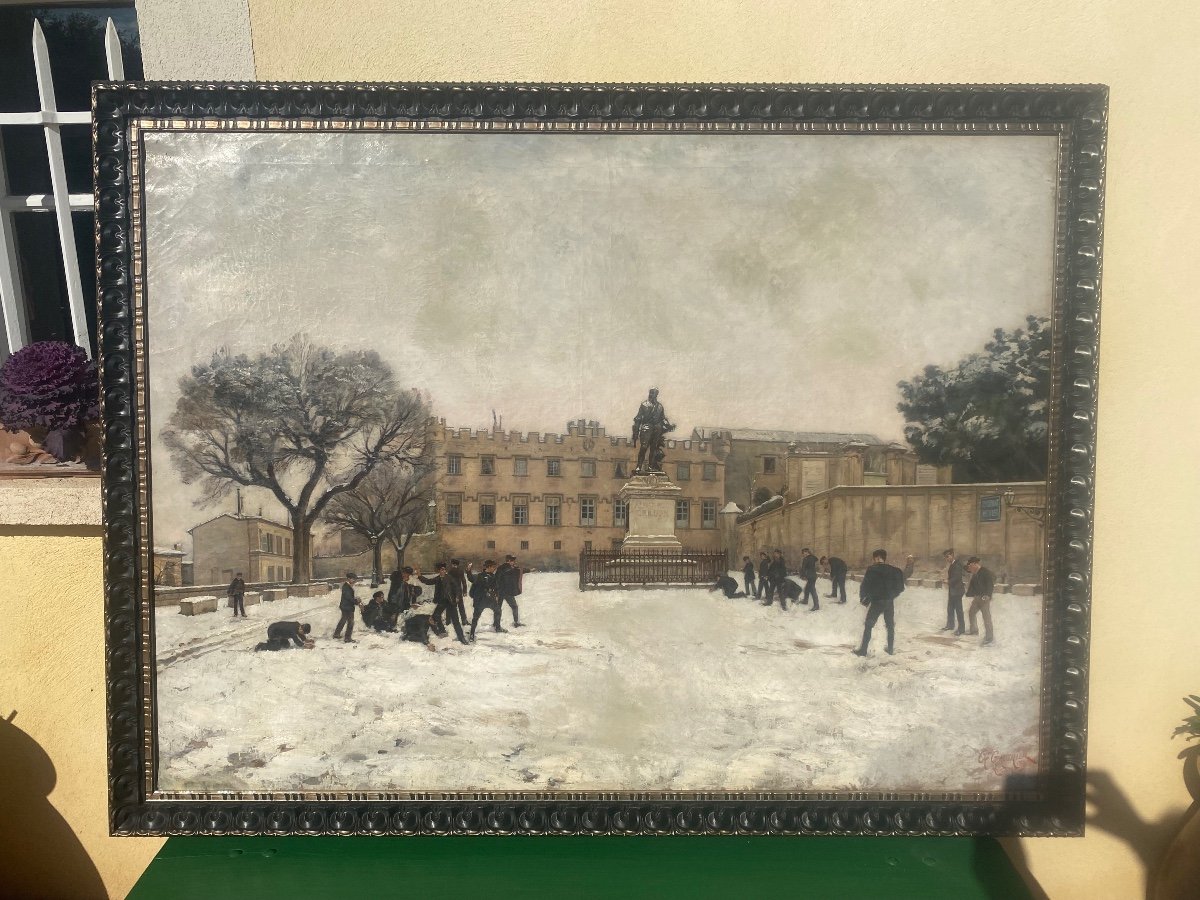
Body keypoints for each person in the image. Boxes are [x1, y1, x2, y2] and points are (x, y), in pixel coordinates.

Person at [853, 549, 906, 656]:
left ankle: (863, 650)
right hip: (889, 602)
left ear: (876, 558)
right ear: (884, 558)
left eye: (874, 558)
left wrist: (864, 598)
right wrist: (892, 595)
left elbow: (865, 586)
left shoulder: (872, 570)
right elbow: (901, 587)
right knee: (890, 625)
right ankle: (890, 649)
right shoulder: (894, 570)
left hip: (877, 602)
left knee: (869, 625)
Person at [418, 562, 469, 645]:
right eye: (442, 570)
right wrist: (419, 575)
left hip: (450, 601)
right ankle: (441, 632)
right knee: (435, 616)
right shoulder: (437, 579)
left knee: (455, 621)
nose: (444, 571)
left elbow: (457, 588)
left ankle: (462, 638)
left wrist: (457, 597)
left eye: (444, 569)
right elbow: (428, 581)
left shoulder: (450, 578)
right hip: (442, 601)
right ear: (439, 571)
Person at [631, 387, 675, 474]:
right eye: (650, 393)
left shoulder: (660, 407)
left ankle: (650, 467)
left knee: (653, 448)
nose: (651, 395)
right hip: (646, 428)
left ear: (656, 395)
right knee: (644, 447)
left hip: (657, 429)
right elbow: (638, 418)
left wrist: (668, 425)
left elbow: (663, 418)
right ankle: (639, 466)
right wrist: (635, 432)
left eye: (653, 393)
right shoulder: (644, 405)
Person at [466, 559, 504, 641]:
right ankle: (472, 634)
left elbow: (496, 587)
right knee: (475, 617)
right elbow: (470, 578)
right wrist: (468, 570)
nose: (494, 569)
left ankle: (497, 627)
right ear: (489, 567)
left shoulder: (493, 576)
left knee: (498, 610)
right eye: (493, 567)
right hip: (480, 600)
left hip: (490, 600)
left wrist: (496, 595)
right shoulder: (479, 576)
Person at [965, 556, 996, 645]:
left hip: (984, 598)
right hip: (977, 598)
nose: (970, 567)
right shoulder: (975, 574)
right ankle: (974, 630)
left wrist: (988, 595)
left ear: (975, 564)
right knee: (971, 612)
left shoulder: (985, 572)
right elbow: (972, 586)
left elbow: (990, 584)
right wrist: (969, 594)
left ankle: (989, 637)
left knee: (986, 617)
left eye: (971, 565)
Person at [941, 548, 966, 635]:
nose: (947, 559)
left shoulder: (957, 564)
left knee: (959, 610)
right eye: (945, 557)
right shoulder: (952, 564)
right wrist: (948, 580)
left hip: (957, 590)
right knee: (950, 608)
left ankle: (961, 629)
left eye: (948, 556)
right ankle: (950, 625)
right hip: (953, 590)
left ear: (952, 555)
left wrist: (948, 581)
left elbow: (957, 577)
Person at [495, 554, 525, 627]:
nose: (514, 562)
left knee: (502, 608)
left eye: (514, 561)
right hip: (503, 592)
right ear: (508, 561)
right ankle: (497, 623)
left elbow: (519, 571)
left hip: (504, 592)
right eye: (512, 561)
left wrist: (529, 570)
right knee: (502, 607)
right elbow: (497, 579)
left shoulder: (510, 568)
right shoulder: (504, 568)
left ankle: (515, 622)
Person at [333, 572, 361, 643]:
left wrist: (354, 599)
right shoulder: (346, 587)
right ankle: (347, 638)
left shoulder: (347, 586)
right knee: (351, 622)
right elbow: (348, 598)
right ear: (348, 579)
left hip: (345, 606)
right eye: (353, 579)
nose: (354, 580)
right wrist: (356, 601)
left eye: (354, 579)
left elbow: (349, 597)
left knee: (343, 620)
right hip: (347, 607)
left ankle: (336, 634)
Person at [448, 559, 469, 624]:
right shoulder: (460, 571)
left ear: (452, 564)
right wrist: (464, 591)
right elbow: (464, 581)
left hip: (452, 591)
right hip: (459, 591)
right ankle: (464, 620)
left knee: (452, 606)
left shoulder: (450, 571)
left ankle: (449, 621)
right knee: (461, 606)